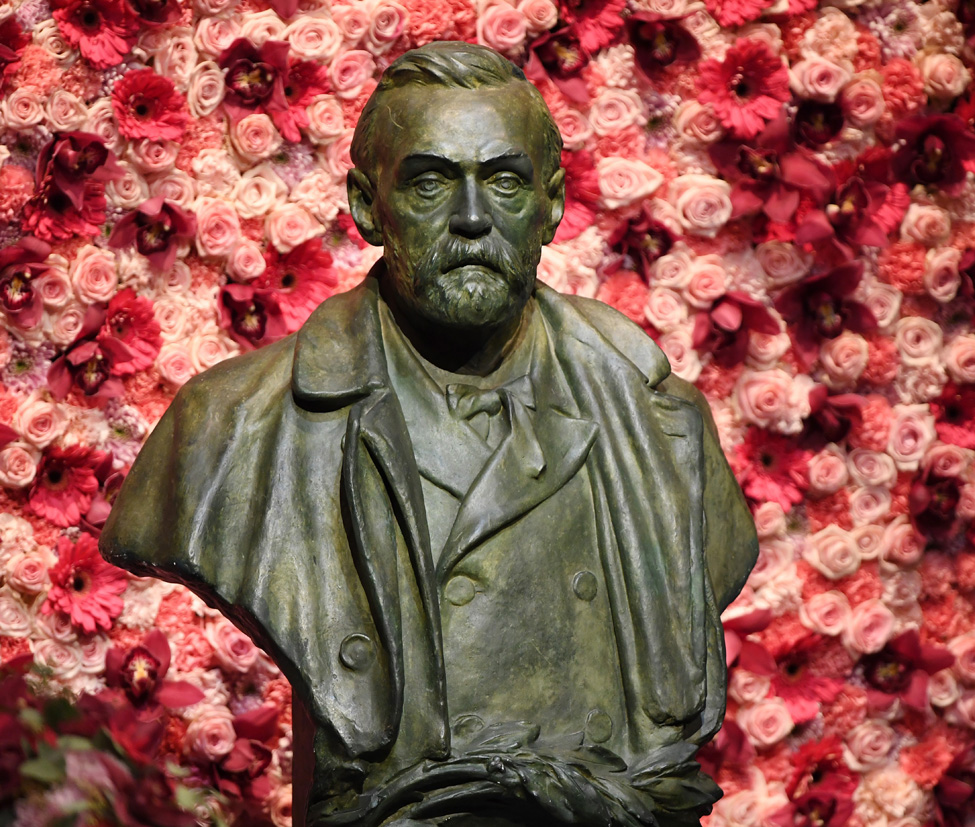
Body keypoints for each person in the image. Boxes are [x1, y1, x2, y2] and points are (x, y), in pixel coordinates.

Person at [100, 41, 757, 827]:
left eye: (504, 181)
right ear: (367, 206)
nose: (473, 219)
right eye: (430, 182)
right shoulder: (230, 427)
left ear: (551, 205)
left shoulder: (658, 422)